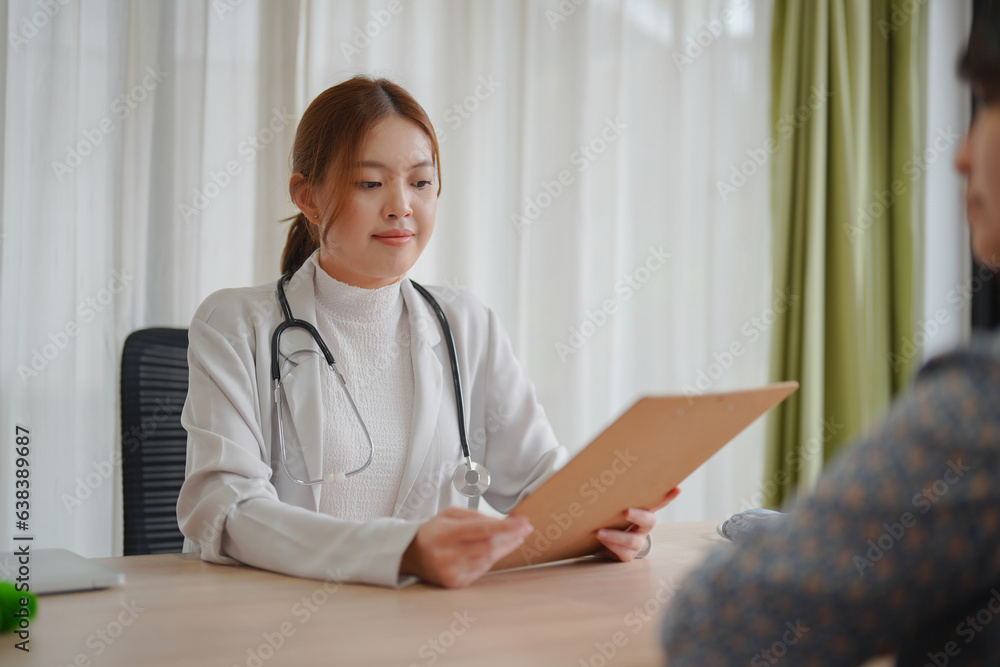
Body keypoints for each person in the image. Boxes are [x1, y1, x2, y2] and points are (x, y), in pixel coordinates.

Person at [176, 76, 677, 589]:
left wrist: (611, 522)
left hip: (430, 623)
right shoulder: (235, 324)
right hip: (276, 624)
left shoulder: (465, 323)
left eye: (420, 182)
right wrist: (401, 551)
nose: (401, 206)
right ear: (309, 197)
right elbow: (223, 509)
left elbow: (539, 486)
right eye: (370, 183)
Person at [661, 8, 1000, 665]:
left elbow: (717, 626)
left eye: (987, 102)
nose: (960, 155)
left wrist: (822, 546)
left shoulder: (981, 406)